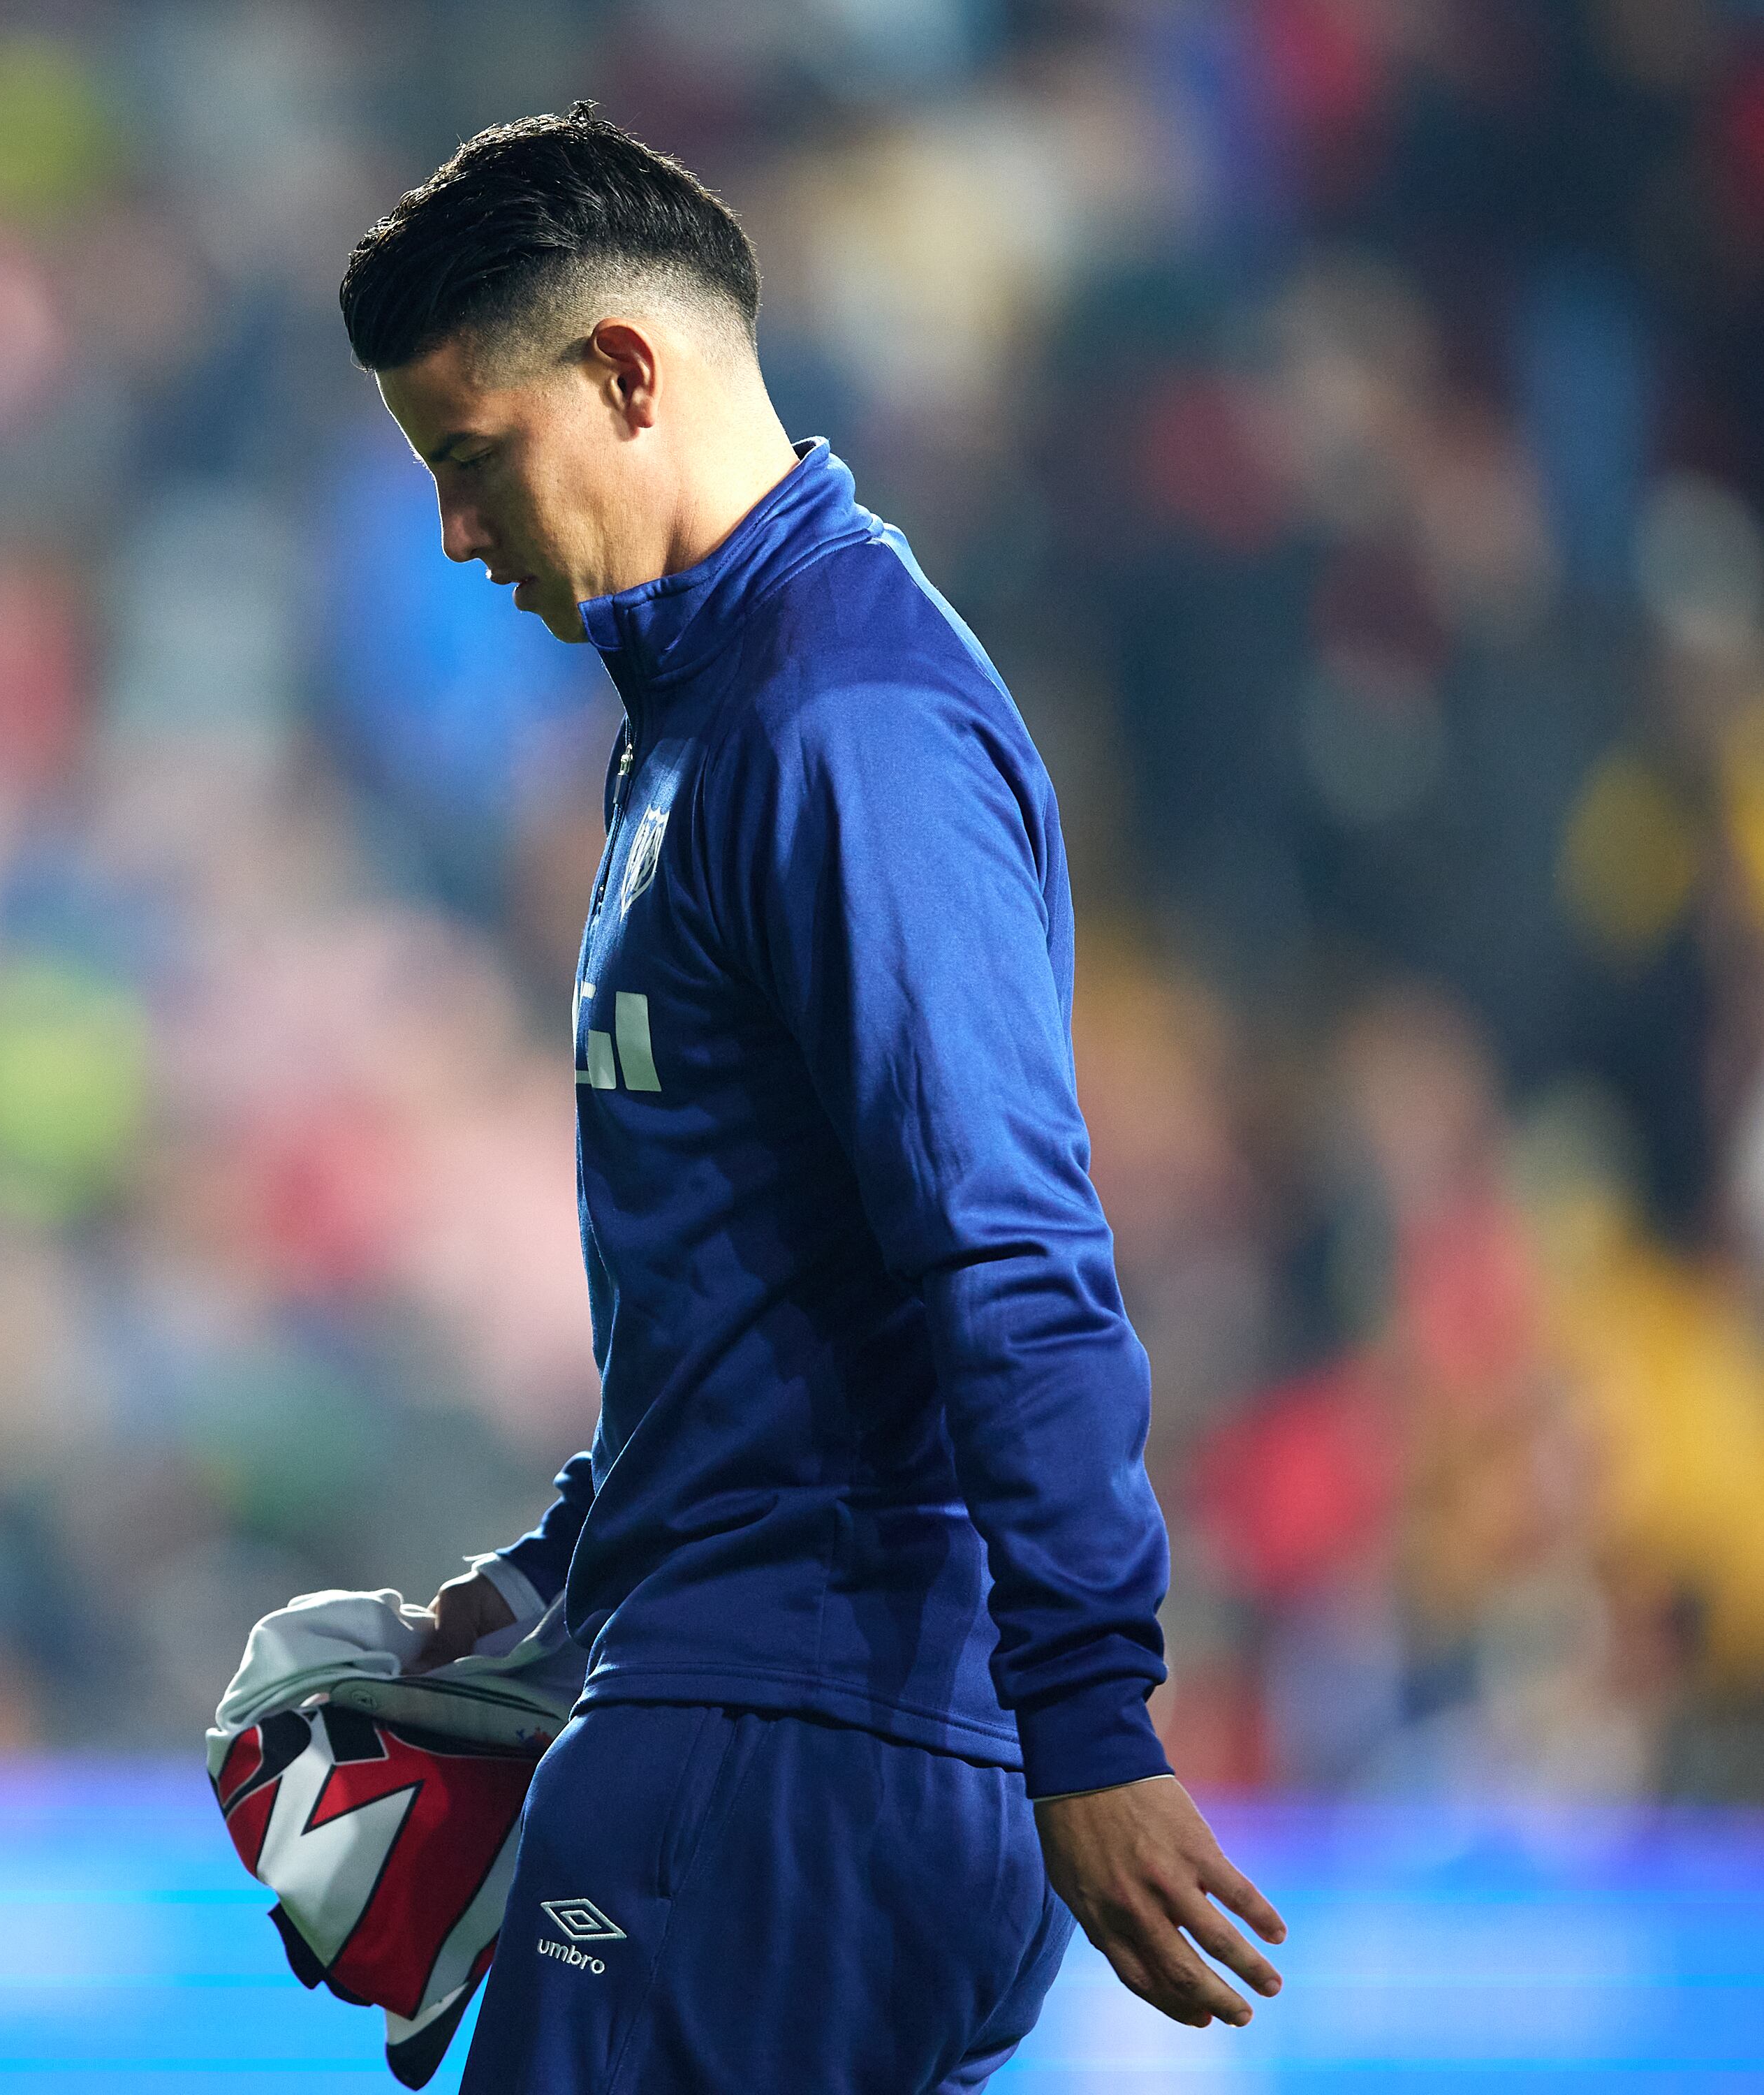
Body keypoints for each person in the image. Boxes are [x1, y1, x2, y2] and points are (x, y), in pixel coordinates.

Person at [337, 106, 1288, 2091]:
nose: (453, 534)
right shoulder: (709, 716)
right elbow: (772, 1270)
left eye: (468, 461)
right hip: (747, 1708)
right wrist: (547, 1580)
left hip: (786, 1745)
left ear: (621, 374)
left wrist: (1091, 1718)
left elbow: (1006, 1243)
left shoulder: (842, 722)